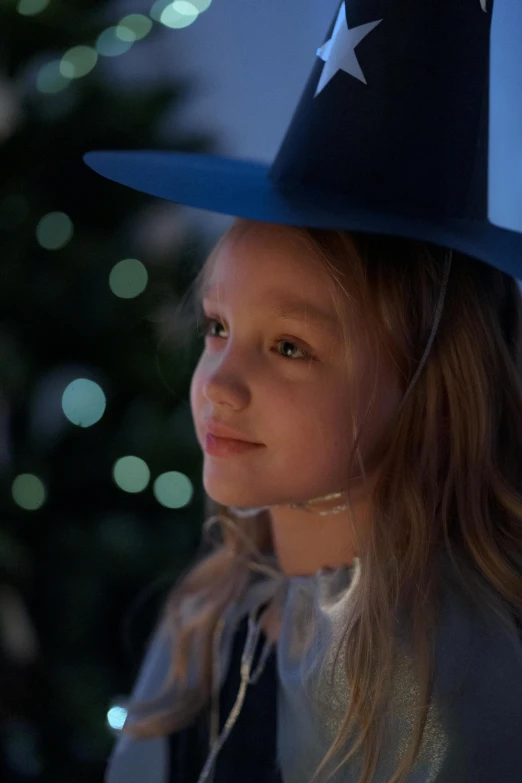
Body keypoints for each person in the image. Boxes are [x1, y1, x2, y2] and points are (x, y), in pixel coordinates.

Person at [84, 1, 522, 781]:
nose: (219, 384)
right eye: (216, 327)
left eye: (290, 346)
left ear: (427, 378)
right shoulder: (208, 615)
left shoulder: (453, 674)